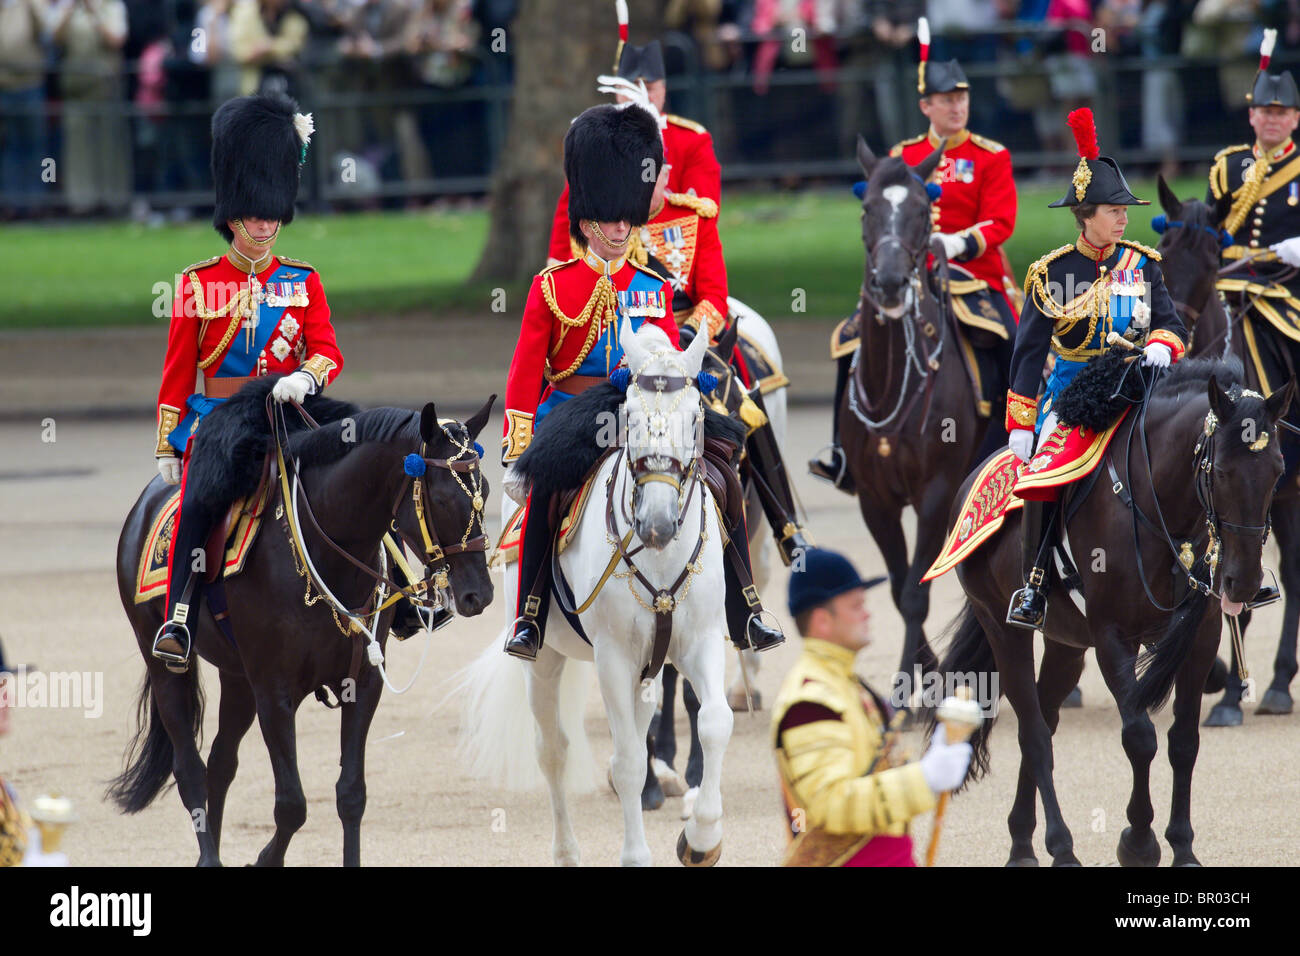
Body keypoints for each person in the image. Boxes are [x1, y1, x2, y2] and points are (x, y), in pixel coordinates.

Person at [501, 102, 784, 662]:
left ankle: (745, 607)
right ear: (587, 224)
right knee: (546, 495)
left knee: (723, 469)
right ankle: (529, 617)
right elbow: (524, 373)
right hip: (572, 409)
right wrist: (519, 449)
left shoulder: (651, 285)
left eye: (627, 222)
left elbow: (666, 359)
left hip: (644, 408)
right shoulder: (551, 287)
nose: (621, 231)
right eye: (611, 223)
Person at [151, 92, 344, 671]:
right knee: (200, 502)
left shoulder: (303, 281)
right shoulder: (195, 284)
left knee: (362, 464)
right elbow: (178, 371)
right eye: (253, 215)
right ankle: (178, 619)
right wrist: (169, 440)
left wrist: (306, 378)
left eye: (271, 215)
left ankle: (400, 595)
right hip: (220, 418)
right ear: (231, 215)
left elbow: (328, 351)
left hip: (289, 410)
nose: (264, 226)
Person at [811, 18, 1020, 491]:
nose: (957, 107)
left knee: (1010, 338)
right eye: (947, 100)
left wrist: (957, 243)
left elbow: (1001, 222)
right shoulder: (900, 156)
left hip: (975, 276)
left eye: (962, 98)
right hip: (910, 277)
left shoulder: (992, 156)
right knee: (850, 338)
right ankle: (844, 451)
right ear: (926, 105)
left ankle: (1017, 441)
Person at [1003, 107, 1186, 629]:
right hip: (1074, 393)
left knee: (1202, 447)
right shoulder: (1052, 273)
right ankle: (1034, 584)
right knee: (1044, 474)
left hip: (1142, 384)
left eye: (1125, 211)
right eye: (1114, 210)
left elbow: (1173, 326)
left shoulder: (1143, 264)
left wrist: (1163, 347)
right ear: (1085, 215)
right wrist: (1021, 424)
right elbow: (1028, 355)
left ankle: (1216, 564)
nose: (1124, 219)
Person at [772, 548, 972, 866]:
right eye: (855, 606)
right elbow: (831, 804)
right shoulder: (810, 703)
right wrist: (924, 777)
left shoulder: (846, 686)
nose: (867, 614)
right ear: (823, 620)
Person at [545, 2, 721, 268]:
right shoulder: (596, 138)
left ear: (663, 90)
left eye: (649, 87)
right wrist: (558, 264)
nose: (642, 96)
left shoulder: (691, 139)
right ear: (616, 90)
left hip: (671, 261)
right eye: (631, 87)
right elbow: (573, 201)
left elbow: (703, 211)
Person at [1208, 28, 1300, 479]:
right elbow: (1209, 226)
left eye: (1281, 112)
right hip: (1228, 281)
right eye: (1265, 110)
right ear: (1251, 115)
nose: (1272, 119)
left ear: (1296, 119)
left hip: (1284, 289)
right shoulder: (1228, 166)